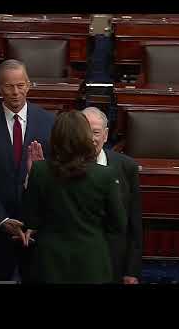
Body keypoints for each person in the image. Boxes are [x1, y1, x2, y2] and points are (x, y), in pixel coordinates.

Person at [0, 59, 54, 281]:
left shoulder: (49, 122)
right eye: (9, 86)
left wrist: (35, 221)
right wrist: (2, 220)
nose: (15, 92)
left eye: (20, 85)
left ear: (28, 85)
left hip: (35, 229)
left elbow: (56, 174)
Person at [22, 110, 126, 284]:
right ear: (85, 136)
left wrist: (31, 176)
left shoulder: (39, 172)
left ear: (55, 137)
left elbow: (31, 220)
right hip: (91, 262)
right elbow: (119, 223)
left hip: (50, 264)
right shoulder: (105, 175)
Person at [82, 106, 142, 284]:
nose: (90, 139)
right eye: (85, 132)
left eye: (96, 132)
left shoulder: (127, 167)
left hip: (114, 262)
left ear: (106, 135)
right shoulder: (65, 168)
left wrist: (132, 270)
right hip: (77, 263)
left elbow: (134, 222)